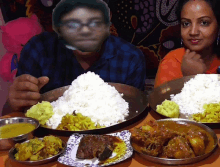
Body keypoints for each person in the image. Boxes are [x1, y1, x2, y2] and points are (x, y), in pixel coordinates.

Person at [2, 0, 146, 116]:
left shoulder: (130, 58)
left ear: (108, 24)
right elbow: (13, 117)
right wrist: (13, 103)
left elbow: (134, 116)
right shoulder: (37, 50)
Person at [154, 0, 220, 88]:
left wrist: (198, 79)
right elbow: (161, 101)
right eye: (186, 23)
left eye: (204, 23)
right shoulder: (172, 62)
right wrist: (189, 79)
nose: (193, 32)